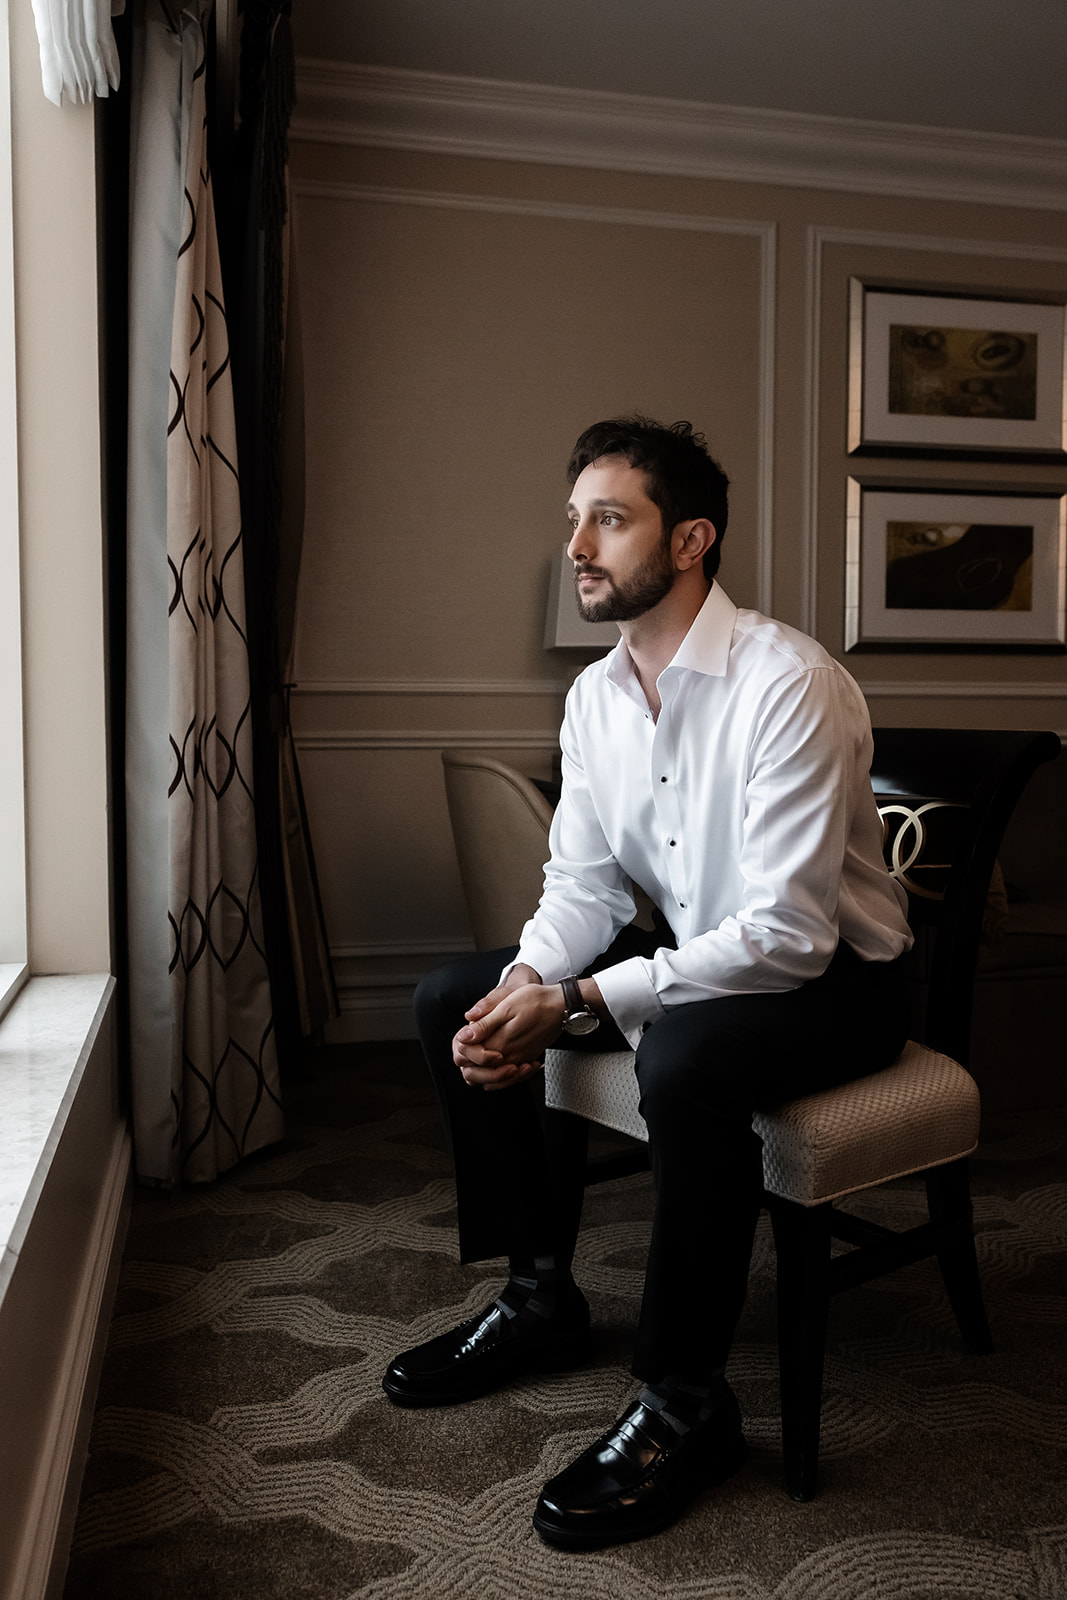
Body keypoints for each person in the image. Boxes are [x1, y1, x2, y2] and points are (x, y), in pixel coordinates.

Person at [382, 416, 914, 1551]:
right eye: (572, 518)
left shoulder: (788, 682)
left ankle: (686, 1399)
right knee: (450, 999)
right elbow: (578, 883)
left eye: (608, 518)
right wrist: (531, 978)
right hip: (704, 955)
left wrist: (577, 1004)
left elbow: (784, 936)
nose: (576, 543)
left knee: (679, 1057)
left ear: (689, 540)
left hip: (838, 980)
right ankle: (538, 1296)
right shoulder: (594, 698)